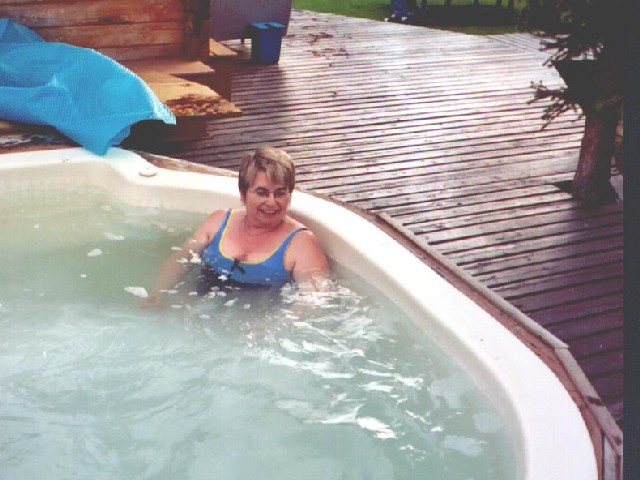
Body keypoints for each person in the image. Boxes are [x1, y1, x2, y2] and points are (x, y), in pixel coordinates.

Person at [144, 147, 330, 306]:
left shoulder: (302, 244)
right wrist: (159, 293)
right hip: (199, 308)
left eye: (280, 193)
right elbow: (182, 259)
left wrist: (268, 330)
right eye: (262, 193)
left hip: (256, 323)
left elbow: (313, 301)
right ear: (243, 194)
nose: (272, 202)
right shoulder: (219, 222)